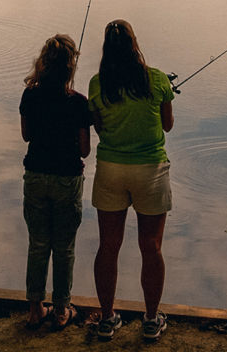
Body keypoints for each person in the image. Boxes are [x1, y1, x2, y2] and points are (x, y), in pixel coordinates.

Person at [88, 19, 174, 341]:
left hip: (111, 168)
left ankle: (108, 319)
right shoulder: (157, 80)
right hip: (150, 170)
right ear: (135, 44)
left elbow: (98, 126)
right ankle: (151, 320)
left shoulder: (97, 84)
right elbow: (167, 126)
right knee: (151, 247)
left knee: (108, 246)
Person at [19, 34, 90, 331]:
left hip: (35, 175)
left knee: (37, 244)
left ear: (44, 63)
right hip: (67, 179)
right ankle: (61, 310)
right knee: (64, 247)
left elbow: (26, 135)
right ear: (70, 66)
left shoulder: (30, 95)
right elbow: (85, 149)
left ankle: (35, 309)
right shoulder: (78, 102)